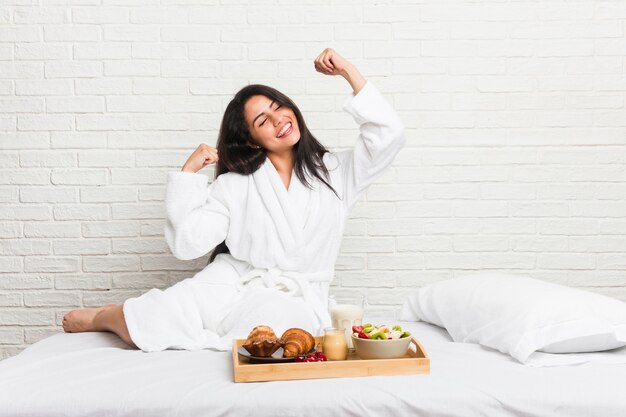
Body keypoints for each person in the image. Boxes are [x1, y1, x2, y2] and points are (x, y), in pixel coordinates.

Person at [62, 48, 406, 352]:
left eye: (278, 107)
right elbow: (187, 244)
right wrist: (188, 176)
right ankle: (106, 316)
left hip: (295, 296)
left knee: (280, 326)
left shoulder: (336, 172)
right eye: (263, 120)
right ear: (253, 141)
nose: (279, 120)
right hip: (231, 281)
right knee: (158, 315)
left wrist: (348, 72)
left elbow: (388, 135)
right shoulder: (235, 184)